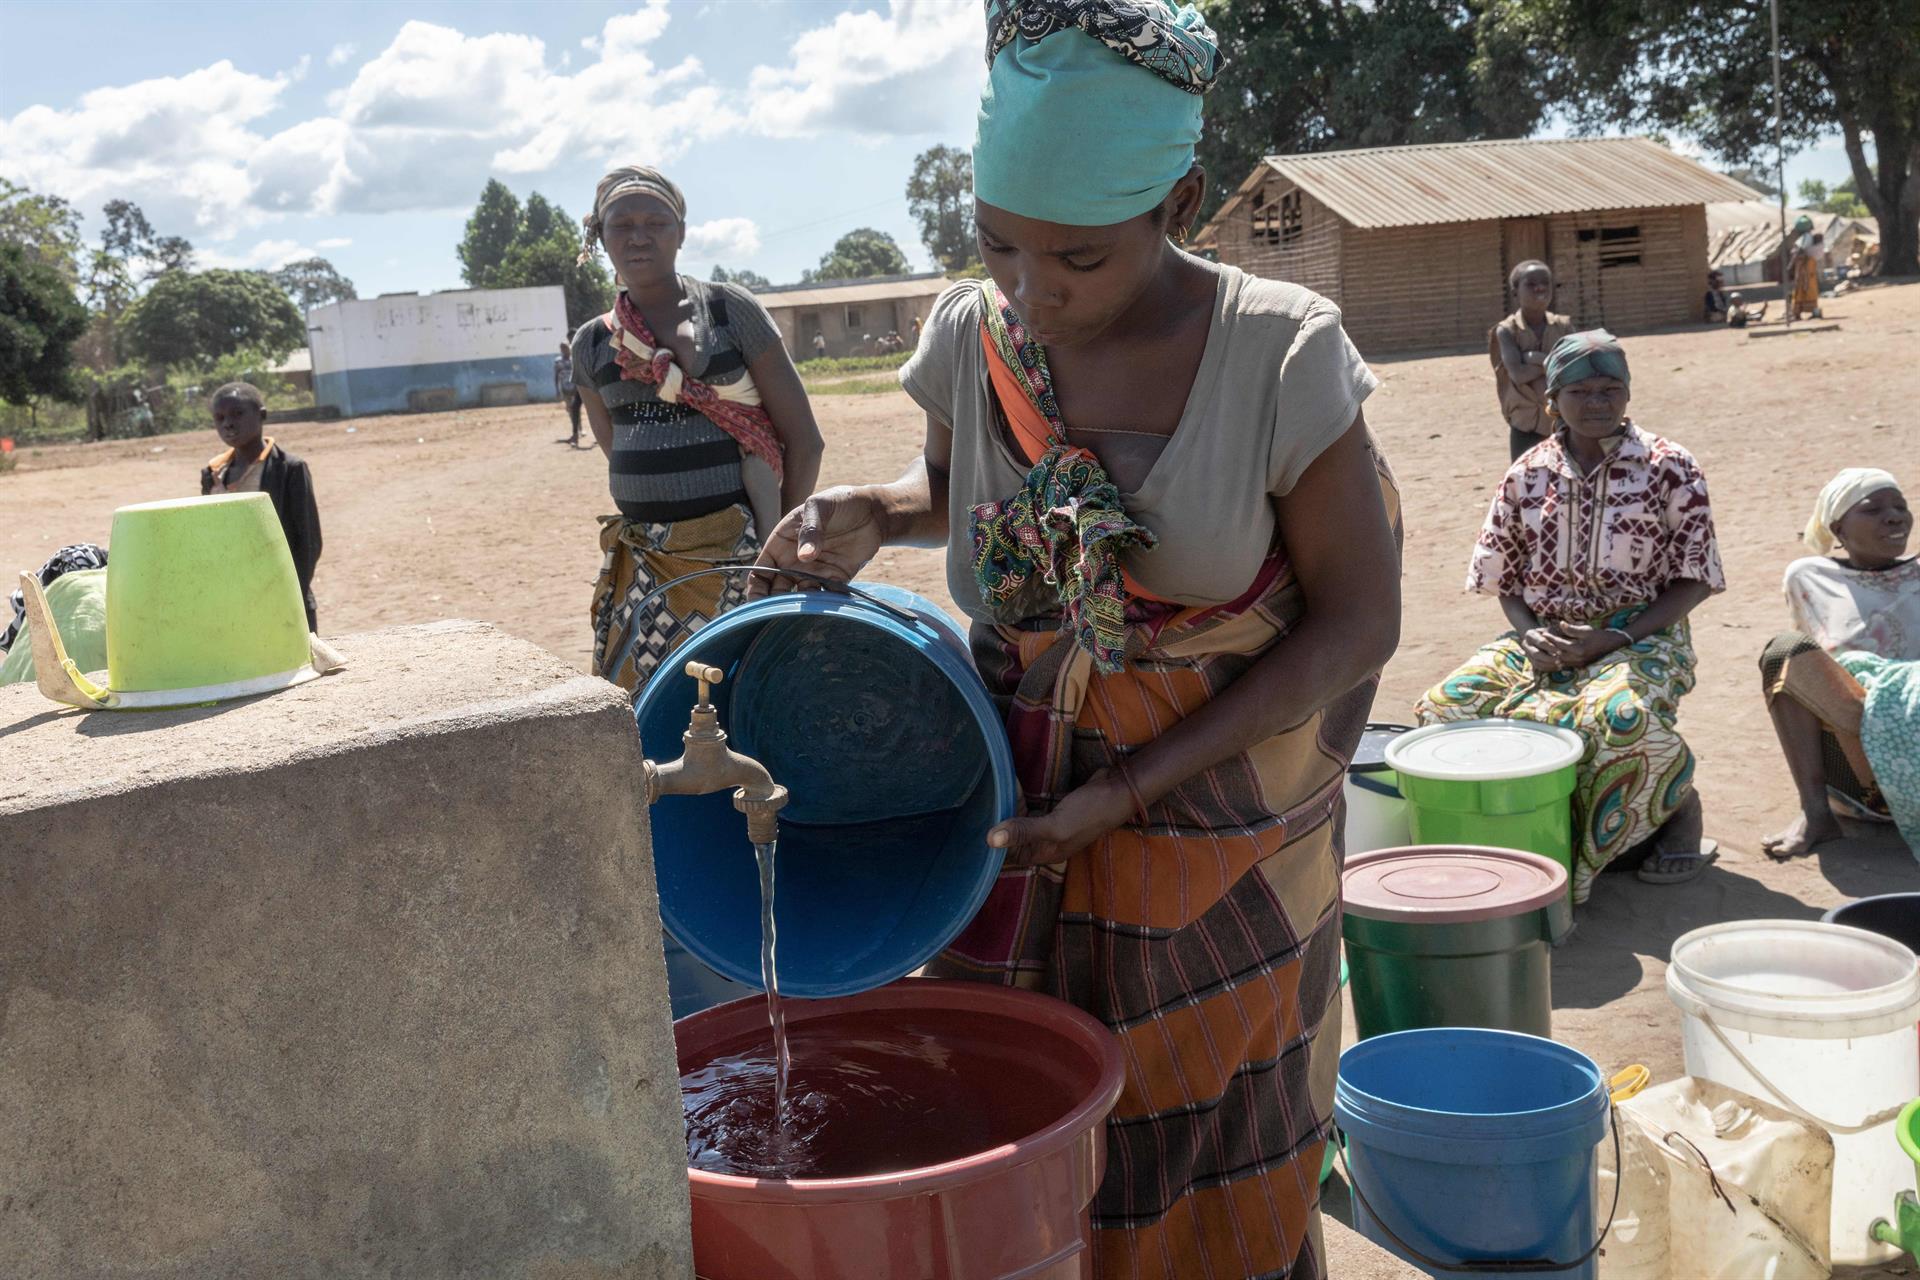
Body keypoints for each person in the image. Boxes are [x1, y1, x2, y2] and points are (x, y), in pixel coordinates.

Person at [750, 2, 1403, 1273]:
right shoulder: (971, 336)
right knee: (1026, 1100)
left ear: (1184, 199)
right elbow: (971, 493)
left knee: (1216, 1103)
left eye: (1079, 262)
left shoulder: (1279, 352)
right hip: (1011, 797)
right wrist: (872, 511)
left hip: (1225, 818)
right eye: (998, 249)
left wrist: (1132, 786)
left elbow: (1360, 617)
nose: (1031, 295)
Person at [1419, 331, 1725, 903]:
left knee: (1618, 716)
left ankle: (1680, 809)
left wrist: (1614, 638)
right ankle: (1526, 837)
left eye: (1611, 389)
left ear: (1628, 393)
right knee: (1447, 707)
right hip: (1546, 636)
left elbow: (1696, 578)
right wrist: (1529, 632)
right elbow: (1505, 580)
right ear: (1551, 400)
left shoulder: (1670, 467)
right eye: (1581, 391)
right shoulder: (1526, 474)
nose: (1599, 403)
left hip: (1643, 633)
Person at [571, 166, 824, 692]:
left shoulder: (729, 311)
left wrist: (778, 547)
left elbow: (804, 439)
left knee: (738, 699)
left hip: (740, 559)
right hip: (643, 567)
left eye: (656, 222)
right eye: (621, 225)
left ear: (681, 233)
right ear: (599, 237)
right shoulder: (592, 345)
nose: (639, 236)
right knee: (649, 712)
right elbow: (617, 447)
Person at [1759, 469, 1920, 859]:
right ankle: (1815, 812)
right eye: (1873, 509)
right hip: (1858, 759)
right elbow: (1818, 670)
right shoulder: (1810, 576)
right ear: (1838, 528)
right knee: (1785, 652)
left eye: (1900, 507)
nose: (1895, 516)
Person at [199, 382, 322, 631]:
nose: (228, 424)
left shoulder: (288, 469)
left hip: (283, 594)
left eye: (238, 414)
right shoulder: (213, 474)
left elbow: (308, 541)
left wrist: (290, 594)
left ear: (262, 415)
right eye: (219, 418)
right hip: (233, 596)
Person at [1491, 260, 1574, 462]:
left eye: (1545, 282)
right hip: (1525, 423)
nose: (1540, 287)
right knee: (1525, 482)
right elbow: (1518, 375)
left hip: (1564, 419)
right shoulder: (1506, 331)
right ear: (1514, 292)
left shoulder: (1563, 326)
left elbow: (1572, 370)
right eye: (1531, 284)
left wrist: (1535, 359)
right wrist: (1552, 363)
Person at [1789, 222, 1823, 321]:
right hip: (1806, 269)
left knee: (1803, 291)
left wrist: (1794, 260)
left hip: (1805, 270)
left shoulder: (1806, 237)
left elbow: (1801, 251)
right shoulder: (1807, 238)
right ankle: (1798, 313)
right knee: (1806, 291)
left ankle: (1801, 313)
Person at [554, 341, 582, 446]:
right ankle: (576, 432)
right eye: (562, 348)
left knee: (577, 408)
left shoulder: (574, 359)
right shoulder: (558, 362)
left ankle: (579, 429)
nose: (564, 350)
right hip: (565, 389)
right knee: (572, 409)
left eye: (565, 348)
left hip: (578, 389)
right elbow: (556, 376)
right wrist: (557, 389)